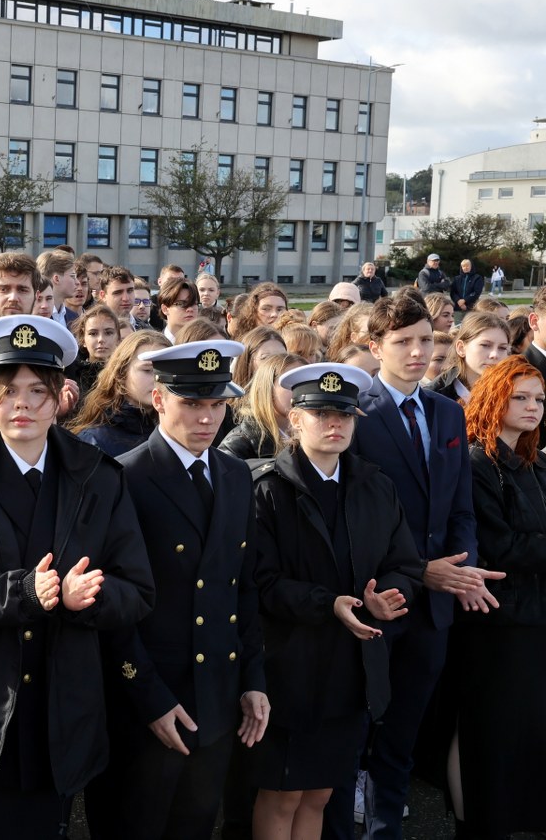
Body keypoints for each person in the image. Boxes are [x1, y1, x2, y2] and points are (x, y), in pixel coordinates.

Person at [0, 314, 156, 839]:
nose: (23, 405)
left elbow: (137, 589)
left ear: (60, 397)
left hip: (57, 713)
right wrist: (22, 592)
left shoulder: (98, 477)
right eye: (9, 391)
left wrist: (91, 595)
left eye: (38, 391)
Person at [325, 295, 496, 840]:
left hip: (434, 609)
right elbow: (350, 517)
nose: (418, 351)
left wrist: (462, 571)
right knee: (352, 737)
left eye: (425, 339)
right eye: (403, 342)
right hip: (374, 599)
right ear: (375, 347)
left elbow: (460, 507)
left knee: (402, 737)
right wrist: (421, 569)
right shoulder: (355, 413)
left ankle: (385, 832)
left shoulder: (447, 412)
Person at [86, 340, 269, 840]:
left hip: (216, 699)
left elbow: (242, 587)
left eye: (217, 403)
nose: (206, 418)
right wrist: (148, 699)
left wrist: (252, 678)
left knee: (194, 826)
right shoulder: (124, 478)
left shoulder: (235, 474)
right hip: (147, 703)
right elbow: (110, 605)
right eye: (191, 403)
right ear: (159, 399)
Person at [250, 363, 422, 840]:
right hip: (289, 666)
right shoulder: (268, 489)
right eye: (321, 413)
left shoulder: (374, 484)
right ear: (294, 419)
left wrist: (389, 595)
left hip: (351, 667)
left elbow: (405, 563)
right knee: (282, 794)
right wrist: (329, 604)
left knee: (321, 794)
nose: (335, 424)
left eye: (344, 415)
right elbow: (261, 583)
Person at [450, 355, 546, 838]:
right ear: (494, 398)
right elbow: (498, 545)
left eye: (540, 399)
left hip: (534, 617)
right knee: (493, 736)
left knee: (528, 734)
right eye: (521, 397)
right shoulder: (476, 462)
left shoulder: (535, 462)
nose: (533, 407)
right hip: (496, 622)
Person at [70, 330, 169, 456]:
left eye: (165, 371)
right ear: (121, 374)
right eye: (147, 370)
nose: (158, 379)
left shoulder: (179, 431)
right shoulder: (93, 441)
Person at [219, 353, 309, 461]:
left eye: (306, 385)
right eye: (291, 384)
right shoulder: (238, 445)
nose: (301, 392)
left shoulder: (315, 435)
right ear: (267, 388)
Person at [427, 312, 511, 404]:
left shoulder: (513, 389)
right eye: (485, 345)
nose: (495, 354)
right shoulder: (431, 396)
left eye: (502, 348)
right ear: (461, 348)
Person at [72, 304, 123, 397]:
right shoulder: (71, 375)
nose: (101, 339)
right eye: (93, 333)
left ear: (118, 338)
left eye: (108, 333)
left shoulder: (126, 375)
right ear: (83, 340)